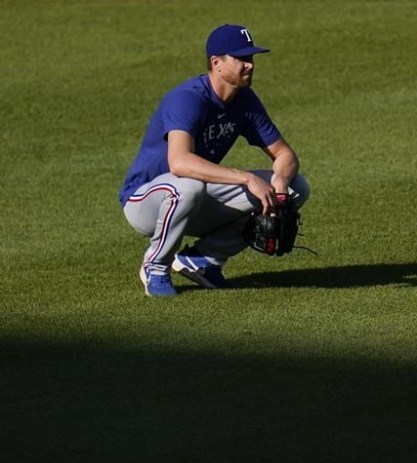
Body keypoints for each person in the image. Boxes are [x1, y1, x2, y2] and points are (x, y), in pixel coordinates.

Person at [119, 24, 311, 297]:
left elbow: (285, 155)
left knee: (295, 188)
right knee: (189, 186)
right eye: (241, 58)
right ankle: (156, 265)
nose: (250, 65)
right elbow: (180, 163)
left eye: (251, 58)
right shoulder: (188, 98)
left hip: (192, 199)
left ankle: (203, 260)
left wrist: (279, 179)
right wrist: (247, 178)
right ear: (216, 63)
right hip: (145, 200)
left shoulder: (245, 101)